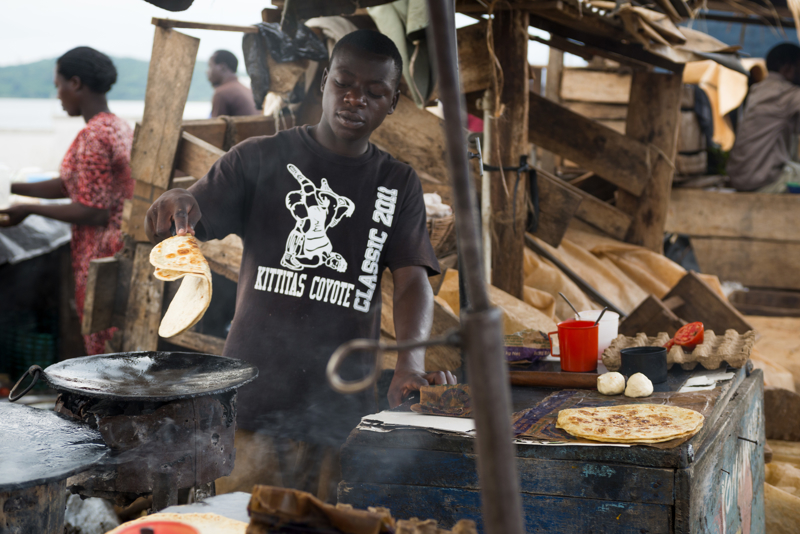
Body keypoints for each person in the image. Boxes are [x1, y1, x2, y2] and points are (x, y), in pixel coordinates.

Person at [146, 30, 455, 500]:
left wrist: (409, 362)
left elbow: (412, 280)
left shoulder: (396, 182)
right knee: (238, 521)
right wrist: (179, 200)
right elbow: (194, 211)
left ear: (393, 102)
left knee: (321, 522)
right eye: (344, 84)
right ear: (325, 81)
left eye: (374, 92)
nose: (355, 100)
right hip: (253, 398)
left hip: (339, 407)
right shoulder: (259, 157)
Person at [0, 47, 133, 355]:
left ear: (75, 83)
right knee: (117, 346)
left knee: (103, 347)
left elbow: (93, 211)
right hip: (120, 251)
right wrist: (11, 186)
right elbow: (72, 185)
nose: (58, 95)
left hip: (103, 255)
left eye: (58, 85)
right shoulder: (117, 126)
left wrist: (27, 209)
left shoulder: (92, 136)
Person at [727, 43, 800, 193]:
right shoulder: (782, 93)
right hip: (761, 180)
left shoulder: (759, 89)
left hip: (741, 176)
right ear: (788, 68)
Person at [207, 50, 259, 117]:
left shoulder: (222, 93)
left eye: (210, 66)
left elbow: (215, 127)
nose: (207, 72)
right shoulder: (247, 90)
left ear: (222, 67)